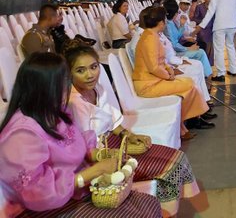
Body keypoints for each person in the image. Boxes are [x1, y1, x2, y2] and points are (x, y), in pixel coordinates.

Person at [0, 52, 161, 216]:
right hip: (47, 207)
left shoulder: (55, 110)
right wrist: (91, 173)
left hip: (75, 191)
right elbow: (37, 192)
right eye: (62, 84)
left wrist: (96, 155)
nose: (67, 89)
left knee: (148, 202)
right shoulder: (21, 135)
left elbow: (77, 140)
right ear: (43, 89)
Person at [64, 45, 199, 216]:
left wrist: (128, 135)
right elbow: (83, 147)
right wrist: (109, 156)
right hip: (97, 156)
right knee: (166, 169)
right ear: (69, 73)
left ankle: (167, 210)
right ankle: (163, 211)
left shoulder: (98, 89)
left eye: (94, 67)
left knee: (177, 158)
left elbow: (112, 120)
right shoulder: (74, 102)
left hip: (113, 142)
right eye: (80, 70)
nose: (90, 74)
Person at [133, 6, 211, 140]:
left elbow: (160, 62)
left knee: (189, 84)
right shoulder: (150, 38)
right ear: (160, 22)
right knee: (189, 85)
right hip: (148, 84)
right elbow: (153, 67)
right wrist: (168, 76)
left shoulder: (151, 36)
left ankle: (183, 126)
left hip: (153, 79)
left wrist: (169, 70)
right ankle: (189, 121)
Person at [196, 0, 236, 82]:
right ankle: (233, 70)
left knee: (219, 49)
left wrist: (201, 26)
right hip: (232, 25)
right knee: (230, 46)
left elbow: (210, 12)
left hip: (220, 25)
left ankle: (221, 74)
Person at [164, 0, 215, 83]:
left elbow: (177, 36)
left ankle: (206, 75)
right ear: (175, 13)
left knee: (200, 50)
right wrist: (188, 49)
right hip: (175, 52)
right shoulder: (167, 26)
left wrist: (181, 25)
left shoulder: (171, 23)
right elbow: (173, 45)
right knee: (201, 52)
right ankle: (208, 76)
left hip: (178, 48)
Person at [193, 0, 214, 65]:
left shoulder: (214, 7)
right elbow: (195, 18)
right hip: (202, 31)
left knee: (211, 48)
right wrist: (203, 22)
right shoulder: (199, 7)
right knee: (204, 47)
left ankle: (209, 64)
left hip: (212, 30)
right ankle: (203, 63)